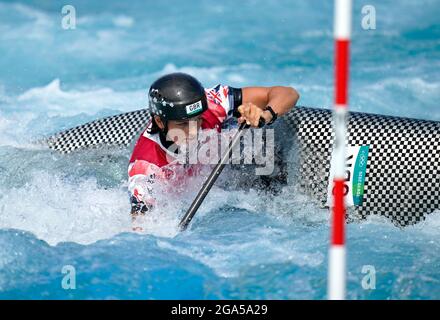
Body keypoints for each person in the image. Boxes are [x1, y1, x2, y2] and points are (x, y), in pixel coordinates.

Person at [128, 72, 299, 224]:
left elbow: (288, 93)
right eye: (183, 125)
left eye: (198, 120)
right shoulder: (145, 170)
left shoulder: (212, 102)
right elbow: (141, 228)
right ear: (159, 122)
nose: (194, 131)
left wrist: (265, 115)